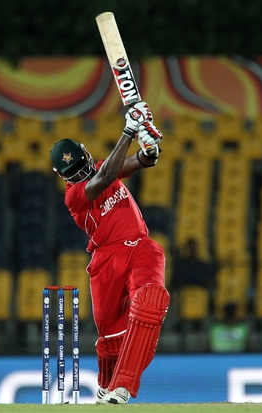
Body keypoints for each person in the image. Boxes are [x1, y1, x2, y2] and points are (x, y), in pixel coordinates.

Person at [49, 102, 168, 404]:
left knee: (150, 302)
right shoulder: (75, 196)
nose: (82, 173)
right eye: (73, 172)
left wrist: (149, 150)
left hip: (140, 246)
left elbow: (137, 162)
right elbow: (104, 177)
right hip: (105, 260)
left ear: (87, 154)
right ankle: (106, 387)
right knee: (111, 339)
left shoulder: (105, 166)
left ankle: (124, 387)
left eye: (82, 165)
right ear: (62, 177)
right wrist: (129, 129)